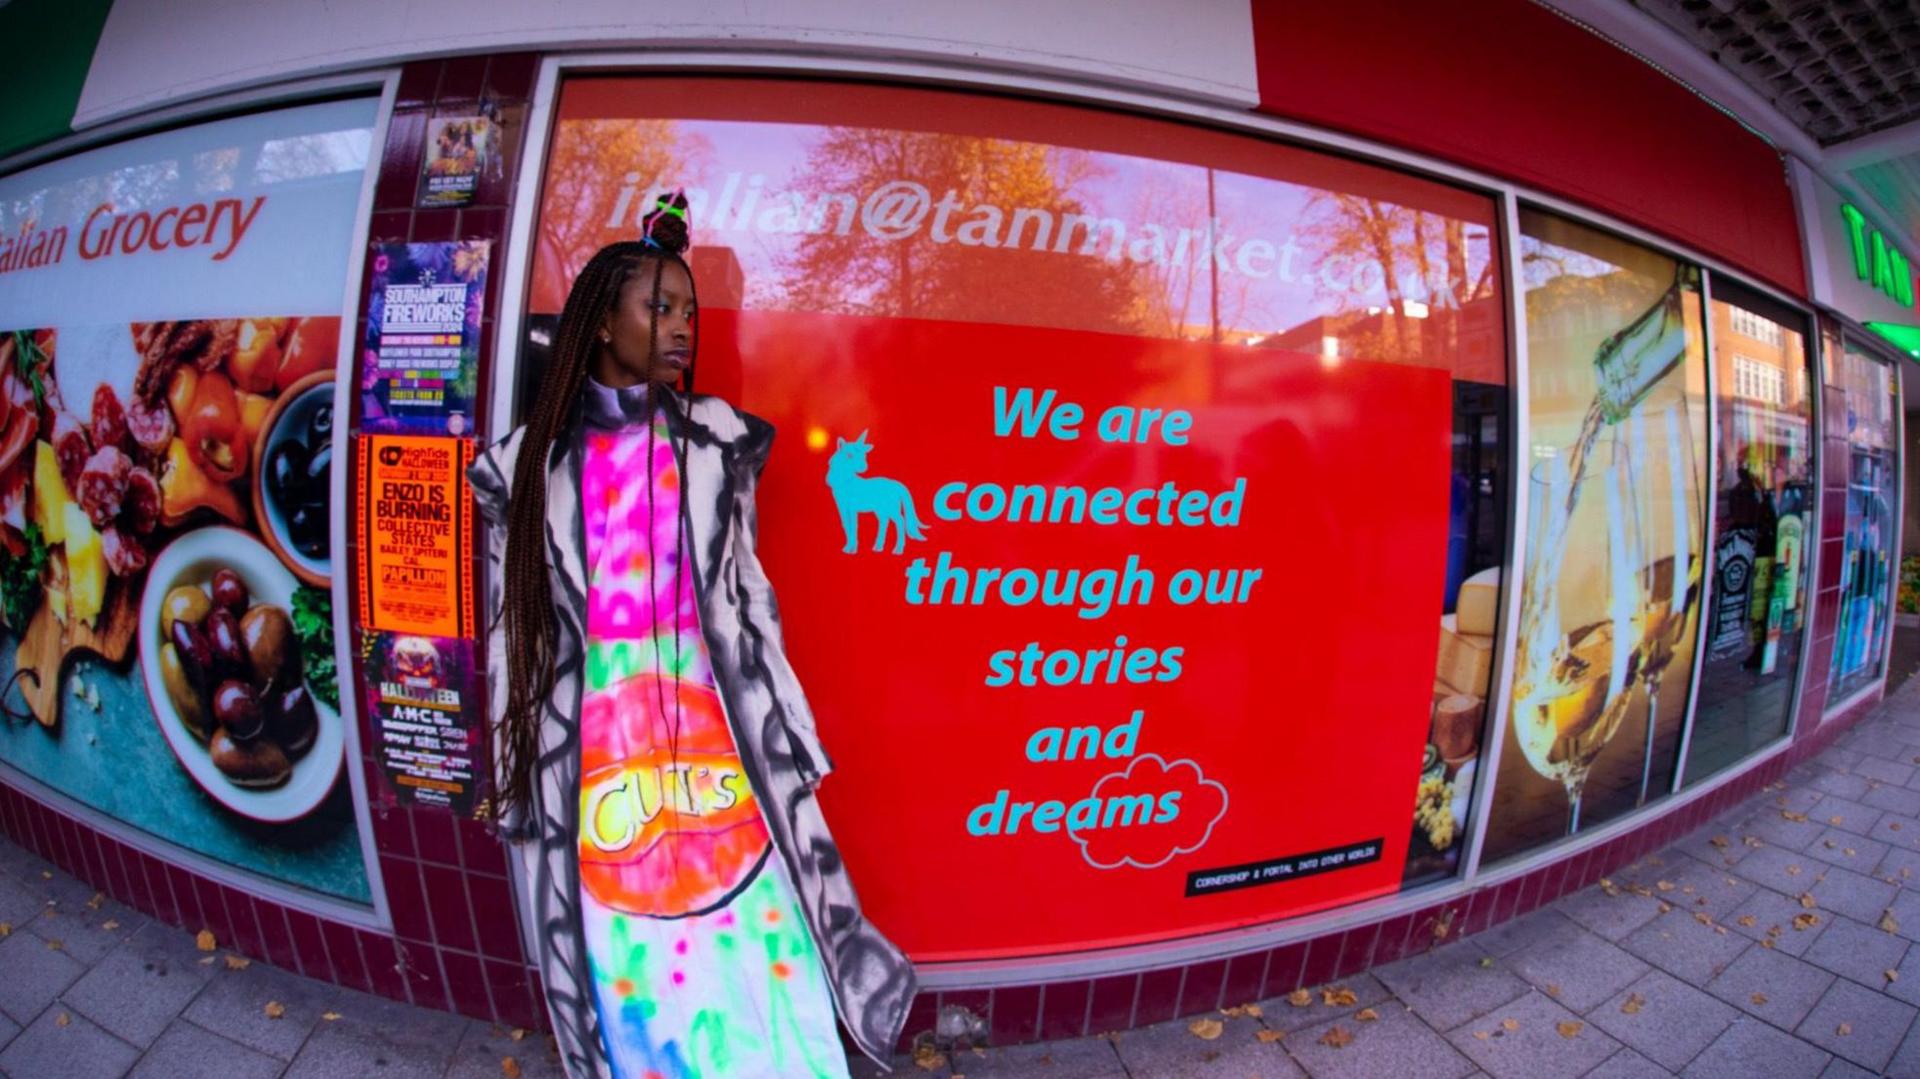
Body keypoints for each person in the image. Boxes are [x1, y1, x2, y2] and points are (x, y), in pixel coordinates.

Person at [470, 193, 915, 1078]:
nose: (680, 327)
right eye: (658, 307)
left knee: (758, 933)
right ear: (601, 323)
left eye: (689, 312)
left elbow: (748, 596)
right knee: (630, 959)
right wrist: (518, 765)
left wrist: (787, 724)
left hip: (719, 734)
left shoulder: (716, 443)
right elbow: (510, 632)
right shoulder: (525, 469)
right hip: (599, 752)